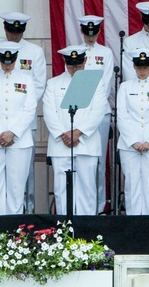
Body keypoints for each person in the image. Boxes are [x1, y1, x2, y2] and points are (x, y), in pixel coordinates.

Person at [43, 45, 108, 215]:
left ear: (85, 61)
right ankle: (64, 230)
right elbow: (49, 112)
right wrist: (63, 135)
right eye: (71, 65)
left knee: (87, 190)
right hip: (61, 144)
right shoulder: (54, 83)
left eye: (78, 65)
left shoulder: (95, 82)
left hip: (86, 143)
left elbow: (98, 111)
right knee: (61, 190)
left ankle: (87, 232)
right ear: (65, 63)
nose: (75, 69)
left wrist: (78, 132)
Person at [0, 40, 39, 215]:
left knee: (16, 188)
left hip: (19, 140)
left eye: (10, 61)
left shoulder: (26, 79)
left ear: (16, 59)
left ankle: (15, 230)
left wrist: (13, 133)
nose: (7, 65)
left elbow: (29, 109)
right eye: (4, 61)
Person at [116, 50, 149, 215]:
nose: (142, 70)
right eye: (139, 66)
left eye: (145, 66)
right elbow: (121, 116)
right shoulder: (125, 87)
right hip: (130, 145)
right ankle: (134, 220)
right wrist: (133, 140)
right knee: (132, 184)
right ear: (134, 66)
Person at [77, 15, 114, 211]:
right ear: (82, 32)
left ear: (99, 32)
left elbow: (105, 85)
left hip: (100, 112)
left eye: (94, 33)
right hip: (78, 112)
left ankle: (99, 205)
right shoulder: (75, 52)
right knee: (81, 160)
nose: (90, 37)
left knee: (98, 160)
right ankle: (81, 205)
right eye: (87, 33)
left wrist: (92, 107)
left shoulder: (106, 53)